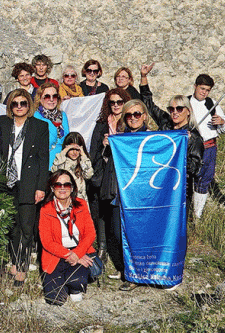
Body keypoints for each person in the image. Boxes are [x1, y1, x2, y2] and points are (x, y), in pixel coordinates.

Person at [0, 89, 49, 286]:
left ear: (29, 105)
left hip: (28, 180)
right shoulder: (2, 123)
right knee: (11, 226)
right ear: (10, 106)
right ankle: (14, 260)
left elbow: (43, 159)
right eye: (15, 103)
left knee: (26, 227)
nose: (19, 107)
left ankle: (22, 267)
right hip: (6, 182)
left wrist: (41, 186)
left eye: (23, 103)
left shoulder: (39, 126)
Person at [98, 99, 151, 291]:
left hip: (140, 195)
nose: (133, 118)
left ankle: (136, 274)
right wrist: (107, 147)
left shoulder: (151, 138)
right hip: (119, 194)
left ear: (144, 116)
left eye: (137, 114)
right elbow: (108, 165)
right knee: (118, 234)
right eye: (129, 115)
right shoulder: (119, 138)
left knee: (136, 235)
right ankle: (126, 269)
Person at [138, 64, 205, 211]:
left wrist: (181, 150)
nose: (175, 112)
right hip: (159, 183)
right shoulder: (165, 123)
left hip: (180, 188)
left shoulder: (193, 137)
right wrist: (144, 77)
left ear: (188, 111)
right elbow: (148, 103)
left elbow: (195, 168)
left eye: (179, 109)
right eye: (171, 109)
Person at [39, 170, 96, 305]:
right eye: (58, 185)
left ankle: (74, 286)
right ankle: (63, 283)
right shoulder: (46, 209)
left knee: (77, 282)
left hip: (79, 251)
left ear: (72, 188)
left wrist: (77, 253)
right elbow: (47, 242)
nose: (63, 188)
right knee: (55, 299)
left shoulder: (81, 204)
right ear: (52, 188)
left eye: (67, 184)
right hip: (56, 254)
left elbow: (90, 234)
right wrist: (70, 254)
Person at [87, 87, 130, 266]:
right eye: (112, 102)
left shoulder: (130, 122)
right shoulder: (102, 124)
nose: (116, 106)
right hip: (105, 172)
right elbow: (93, 152)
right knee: (102, 209)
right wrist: (104, 146)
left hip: (124, 173)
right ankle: (103, 246)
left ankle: (122, 249)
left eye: (119, 102)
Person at [188, 73, 225, 218]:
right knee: (188, 179)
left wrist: (222, 122)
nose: (204, 92)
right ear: (195, 86)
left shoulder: (211, 103)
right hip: (191, 148)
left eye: (207, 90)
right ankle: (185, 212)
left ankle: (197, 215)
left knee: (204, 180)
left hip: (209, 148)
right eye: (202, 89)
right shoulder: (185, 102)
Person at [51, 133, 94, 202]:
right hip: (64, 201)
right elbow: (54, 170)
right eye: (71, 149)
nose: (74, 152)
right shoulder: (62, 161)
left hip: (80, 202)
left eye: (77, 149)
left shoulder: (82, 162)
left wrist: (83, 155)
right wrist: (64, 152)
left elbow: (89, 174)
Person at [34, 83, 69, 164]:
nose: (51, 99)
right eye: (47, 96)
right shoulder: (35, 116)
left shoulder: (62, 115)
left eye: (55, 96)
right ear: (40, 98)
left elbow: (66, 138)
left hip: (62, 161)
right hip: (44, 161)